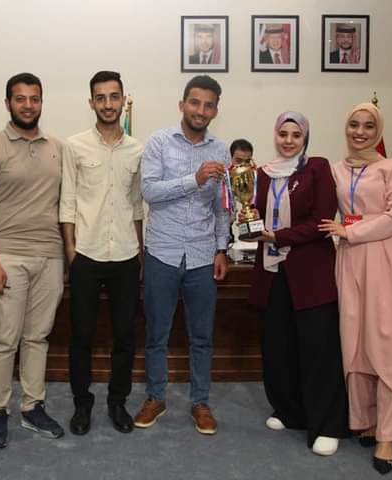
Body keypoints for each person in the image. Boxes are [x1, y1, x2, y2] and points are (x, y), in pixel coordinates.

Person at [319, 103, 392, 475]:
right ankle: (368, 419)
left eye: (369, 126)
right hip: (351, 261)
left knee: (388, 345)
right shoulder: (336, 169)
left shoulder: (390, 167)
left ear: (378, 131)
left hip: (388, 261)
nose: (360, 132)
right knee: (356, 343)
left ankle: (390, 434)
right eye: (354, 124)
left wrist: (351, 230)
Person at [0, 72, 66, 449]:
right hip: (7, 255)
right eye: (20, 98)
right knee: (3, 339)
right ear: (8, 103)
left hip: (50, 256)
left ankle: (32, 407)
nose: (28, 105)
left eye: (34, 98)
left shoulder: (57, 148)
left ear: (42, 102)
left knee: (37, 337)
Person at [248, 112, 348, 456]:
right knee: (278, 346)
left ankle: (327, 424)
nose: (288, 140)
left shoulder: (317, 168)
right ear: (275, 135)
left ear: (305, 138)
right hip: (271, 272)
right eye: (283, 134)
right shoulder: (263, 173)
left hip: (310, 273)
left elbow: (322, 221)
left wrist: (279, 236)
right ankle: (290, 411)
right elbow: (253, 213)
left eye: (296, 135)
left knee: (318, 350)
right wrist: (247, 223)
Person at [134, 75, 229, 435]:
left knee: (201, 336)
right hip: (162, 251)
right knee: (156, 333)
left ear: (215, 111)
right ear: (182, 105)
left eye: (208, 105)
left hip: (203, 255)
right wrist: (194, 179)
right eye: (194, 102)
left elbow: (222, 207)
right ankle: (155, 397)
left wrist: (222, 248)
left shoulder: (221, 150)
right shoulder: (159, 142)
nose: (200, 110)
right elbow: (149, 192)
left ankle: (200, 402)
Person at [60, 71, 144, 435]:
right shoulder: (74, 146)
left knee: (125, 336)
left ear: (123, 100)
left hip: (126, 254)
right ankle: (82, 404)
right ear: (91, 102)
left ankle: (117, 401)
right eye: (101, 97)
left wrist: (140, 251)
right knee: (82, 335)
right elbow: (67, 200)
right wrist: (70, 251)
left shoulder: (137, 149)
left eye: (114, 97)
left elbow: (137, 204)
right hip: (87, 254)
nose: (108, 104)